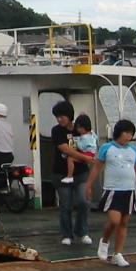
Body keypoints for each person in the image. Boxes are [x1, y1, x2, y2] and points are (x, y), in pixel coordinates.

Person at [85, 118, 136, 267]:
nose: (129, 136)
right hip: (112, 190)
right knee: (114, 220)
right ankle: (105, 241)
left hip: (129, 191)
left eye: (131, 134)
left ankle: (118, 254)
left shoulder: (134, 150)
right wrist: (89, 186)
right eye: (127, 133)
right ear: (120, 132)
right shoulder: (107, 148)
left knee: (124, 222)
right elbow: (97, 168)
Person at [51, 100, 95, 246]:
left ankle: (82, 231)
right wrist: (86, 158)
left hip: (81, 173)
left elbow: (91, 142)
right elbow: (65, 149)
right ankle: (67, 234)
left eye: (62, 116)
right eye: (57, 117)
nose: (59, 119)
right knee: (66, 205)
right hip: (61, 174)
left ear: (69, 115)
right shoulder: (56, 131)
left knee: (84, 201)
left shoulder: (80, 128)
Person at [61, 113, 98, 184]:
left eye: (79, 128)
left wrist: (75, 141)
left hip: (87, 154)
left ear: (83, 128)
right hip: (92, 154)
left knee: (70, 158)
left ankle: (69, 176)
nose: (77, 130)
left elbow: (81, 146)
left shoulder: (85, 137)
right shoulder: (92, 134)